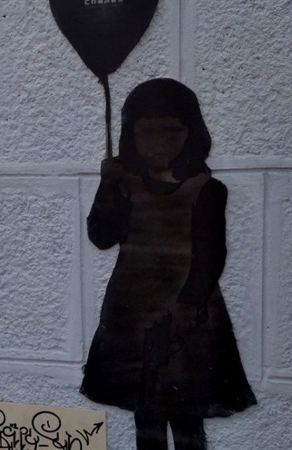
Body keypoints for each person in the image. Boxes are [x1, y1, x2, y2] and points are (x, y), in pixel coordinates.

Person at [80, 78, 256, 450]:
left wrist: (188, 306)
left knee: (185, 408)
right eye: (146, 131)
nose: (158, 141)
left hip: (186, 315)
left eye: (171, 130)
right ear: (131, 135)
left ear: (191, 132)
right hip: (131, 314)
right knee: (145, 411)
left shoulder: (205, 190)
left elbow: (211, 256)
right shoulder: (125, 185)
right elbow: (102, 236)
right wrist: (106, 187)